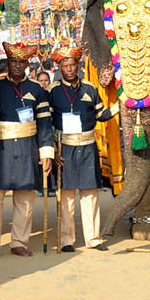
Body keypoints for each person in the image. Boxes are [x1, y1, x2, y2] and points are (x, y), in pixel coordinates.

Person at [0, 43, 55, 259]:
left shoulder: (37, 89)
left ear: (28, 64)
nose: (18, 65)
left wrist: (46, 153)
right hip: (0, 147)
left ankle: (19, 242)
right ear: (8, 63)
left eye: (22, 62)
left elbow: (44, 123)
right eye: (14, 61)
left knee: (25, 198)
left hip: (27, 146)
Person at [47, 42, 115, 252]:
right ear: (60, 68)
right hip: (64, 148)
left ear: (78, 65)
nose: (69, 69)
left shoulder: (90, 88)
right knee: (66, 196)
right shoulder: (52, 91)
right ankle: (67, 240)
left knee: (90, 195)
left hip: (87, 146)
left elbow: (101, 115)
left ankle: (93, 239)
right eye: (65, 66)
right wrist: (53, 151)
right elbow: (45, 123)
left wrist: (123, 103)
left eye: (72, 65)